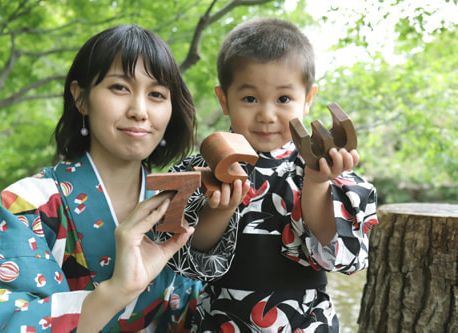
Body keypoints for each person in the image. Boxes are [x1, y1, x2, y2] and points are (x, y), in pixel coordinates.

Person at [0, 24, 204, 332]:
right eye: (119, 88)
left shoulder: (174, 207)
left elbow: (200, 311)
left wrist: (218, 224)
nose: (140, 111)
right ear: (81, 98)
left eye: (156, 94)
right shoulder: (27, 204)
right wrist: (115, 293)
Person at [162, 18, 379, 332]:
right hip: (219, 318)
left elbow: (336, 257)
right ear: (224, 99)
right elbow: (187, 260)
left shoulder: (318, 167)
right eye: (250, 99)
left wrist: (317, 183)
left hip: (303, 320)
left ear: (308, 99)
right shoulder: (202, 169)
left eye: (283, 99)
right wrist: (220, 209)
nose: (266, 114)